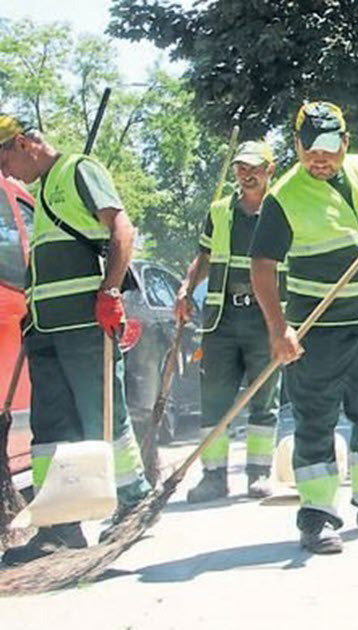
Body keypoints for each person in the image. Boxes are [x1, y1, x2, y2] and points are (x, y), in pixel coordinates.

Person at [249, 101, 358, 554]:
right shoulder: (283, 198)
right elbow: (262, 267)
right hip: (315, 330)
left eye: (328, 147)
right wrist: (278, 329)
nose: (319, 158)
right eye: (309, 149)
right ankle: (317, 516)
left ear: (345, 143)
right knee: (316, 419)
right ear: (297, 145)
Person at [0, 115, 149, 565]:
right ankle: (58, 525)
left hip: (85, 326)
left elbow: (121, 230)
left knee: (101, 415)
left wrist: (109, 291)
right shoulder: (41, 190)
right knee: (50, 430)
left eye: (4, 158)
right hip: (45, 329)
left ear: (25, 143)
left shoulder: (79, 170)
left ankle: (131, 502)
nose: (5, 172)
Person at [174, 140, 287, 503]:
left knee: (263, 395)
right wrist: (186, 287)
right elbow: (203, 256)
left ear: (270, 169)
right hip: (222, 320)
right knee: (214, 398)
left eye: (254, 167)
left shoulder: (283, 208)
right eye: (241, 167)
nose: (246, 174)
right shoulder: (220, 211)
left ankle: (258, 473)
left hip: (264, 318)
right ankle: (213, 476)